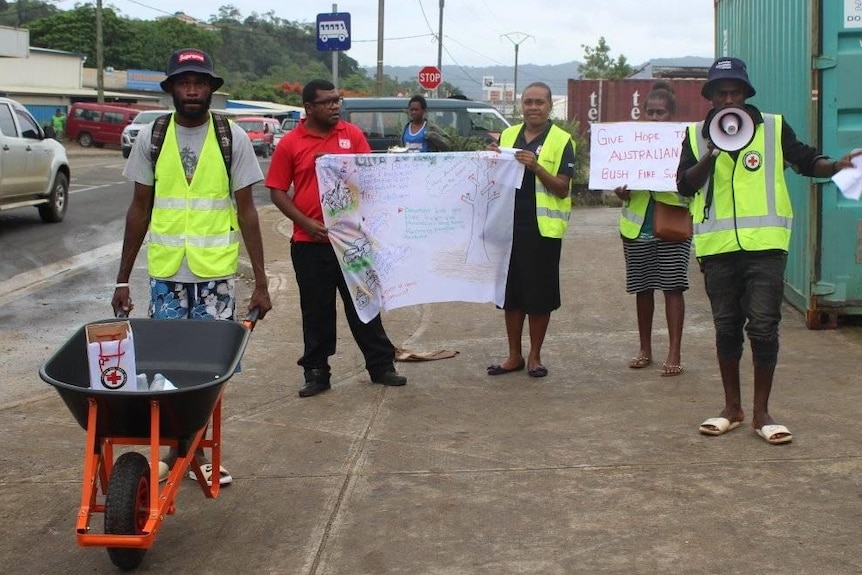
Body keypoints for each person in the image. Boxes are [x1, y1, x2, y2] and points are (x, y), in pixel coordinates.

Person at [677, 56, 861, 444]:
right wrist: (711, 152)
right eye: (721, 92)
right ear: (710, 97)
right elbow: (684, 186)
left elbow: (807, 159)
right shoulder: (696, 136)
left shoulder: (773, 128)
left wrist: (837, 166)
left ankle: (762, 413)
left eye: (735, 91)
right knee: (727, 328)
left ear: (746, 94)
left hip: (766, 248)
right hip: (718, 248)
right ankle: (732, 408)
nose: (729, 99)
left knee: (762, 327)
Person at [112, 48, 272, 483]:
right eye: (184, 82)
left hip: (215, 276)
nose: (192, 90)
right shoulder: (153, 136)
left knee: (210, 373)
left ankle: (194, 455)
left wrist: (261, 280)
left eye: (200, 82)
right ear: (170, 89)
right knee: (165, 370)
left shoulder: (230, 137)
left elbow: (248, 212)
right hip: (166, 275)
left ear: (210, 89)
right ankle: (177, 451)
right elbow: (138, 210)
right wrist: (123, 279)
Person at [266, 79, 407, 398]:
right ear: (309, 107)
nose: (335, 106)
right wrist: (306, 222)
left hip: (352, 243)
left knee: (364, 305)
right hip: (309, 243)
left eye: (337, 100)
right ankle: (316, 372)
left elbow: (369, 178)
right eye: (327, 102)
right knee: (316, 310)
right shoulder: (291, 143)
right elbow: (277, 190)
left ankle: (381, 366)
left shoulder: (352, 135)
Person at [486, 81, 575, 378]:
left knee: (539, 295)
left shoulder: (562, 140)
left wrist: (536, 167)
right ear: (521, 105)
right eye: (528, 102)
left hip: (542, 230)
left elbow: (562, 188)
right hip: (509, 226)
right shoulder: (509, 135)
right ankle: (514, 356)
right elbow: (495, 180)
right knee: (511, 294)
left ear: (550, 107)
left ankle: (535, 357)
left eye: (539, 102)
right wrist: (490, 159)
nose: (533, 107)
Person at [613, 82, 690, 377]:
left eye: (661, 113)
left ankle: (674, 353)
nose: (656, 117)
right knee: (642, 289)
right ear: (643, 113)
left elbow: (692, 184)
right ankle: (645, 349)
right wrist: (621, 192)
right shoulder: (632, 142)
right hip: (635, 226)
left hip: (671, 224)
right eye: (651, 112)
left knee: (673, 287)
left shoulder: (685, 144)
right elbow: (619, 179)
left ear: (672, 115)